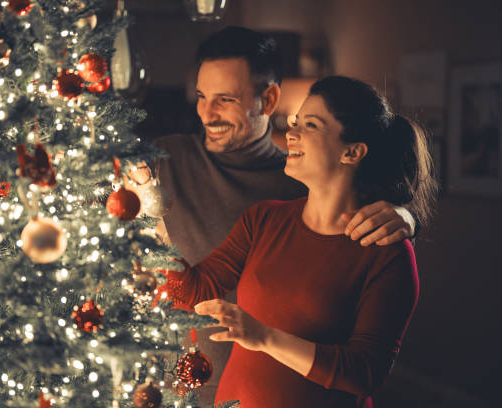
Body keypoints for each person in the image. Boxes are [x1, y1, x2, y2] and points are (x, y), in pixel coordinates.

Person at [129, 26, 419, 404]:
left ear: (268, 100)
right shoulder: (257, 213)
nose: (206, 112)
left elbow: (365, 372)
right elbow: (193, 289)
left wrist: (407, 217)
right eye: (201, 96)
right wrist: (147, 209)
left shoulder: (373, 239)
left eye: (225, 99)